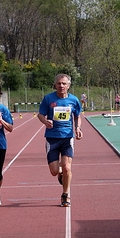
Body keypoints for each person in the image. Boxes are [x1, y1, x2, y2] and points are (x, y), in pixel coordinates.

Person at [37, 73, 83, 207]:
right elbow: (40, 114)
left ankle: (65, 195)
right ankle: (60, 173)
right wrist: (45, 122)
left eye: (64, 83)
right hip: (52, 138)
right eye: (59, 83)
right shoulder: (48, 99)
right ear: (55, 85)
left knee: (68, 167)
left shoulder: (74, 100)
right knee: (54, 171)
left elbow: (77, 116)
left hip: (67, 138)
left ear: (68, 85)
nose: (61, 86)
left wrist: (78, 128)